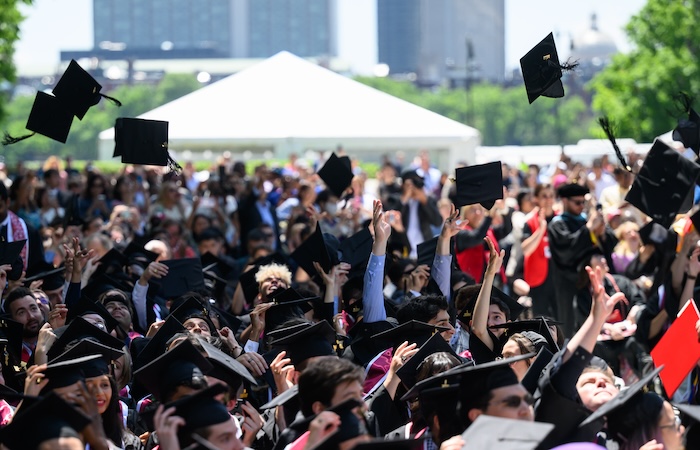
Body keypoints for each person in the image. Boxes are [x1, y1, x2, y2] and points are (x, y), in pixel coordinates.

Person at [548, 183, 617, 336]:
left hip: (591, 283)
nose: (581, 206)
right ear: (565, 201)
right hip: (569, 284)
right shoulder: (558, 224)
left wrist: (603, 232)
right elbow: (566, 252)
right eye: (577, 202)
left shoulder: (586, 219)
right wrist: (588, 229)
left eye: (583, 202)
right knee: (570, 326)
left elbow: (610, 246)